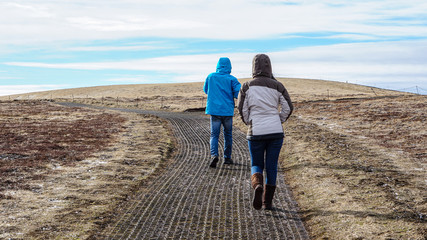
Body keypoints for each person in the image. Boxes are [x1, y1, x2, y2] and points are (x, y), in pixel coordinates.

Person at [237, 54, 293, 210]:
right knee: (272, 166)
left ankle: (257, 186)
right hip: (276, 132)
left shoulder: (246, 86)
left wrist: (249, 121)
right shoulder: (278, 86)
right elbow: (288, 107)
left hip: (256, 131)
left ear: (254, 67)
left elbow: (241, 108)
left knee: (256, 164)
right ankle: (267, 202)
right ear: (269, 67)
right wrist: (279, 119)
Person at [204, 57, 241, 168]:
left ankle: (214, 155)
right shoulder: (232, 79)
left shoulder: (210, 77)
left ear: (218, 65)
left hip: (214, 111)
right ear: (229, 67)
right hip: (227, 112)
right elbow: (238, 94)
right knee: (228, 135)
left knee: (214, 135)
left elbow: (206, 90)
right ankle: (227, 158)